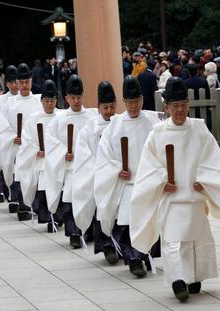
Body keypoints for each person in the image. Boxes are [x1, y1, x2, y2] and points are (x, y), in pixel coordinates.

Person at [129, 77, 220, 301]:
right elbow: (148, 165)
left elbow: (213, 159)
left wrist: (205, 179)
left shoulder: (199, 129)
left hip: (194, 197)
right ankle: (177, 280)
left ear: (188, 105)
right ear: (167, 107)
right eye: (174, 105)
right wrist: (160, 181)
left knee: (197, 239)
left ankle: (194, 276)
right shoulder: (157, 134)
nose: (179, 110)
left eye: (183, 105)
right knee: (175, 241)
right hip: (172, 198)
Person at [94, 75, 161, 277]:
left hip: (147, 183)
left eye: (136, 101)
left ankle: (144, 256)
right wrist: (116, 170)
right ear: (124, 102)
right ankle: (133, 259)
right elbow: (104, 156)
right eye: (129, 102)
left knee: (147, 222)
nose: (133, 106)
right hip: (126, 183)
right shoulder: (115, 125)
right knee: (128, 222)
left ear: (142, 100)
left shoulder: (152, 122)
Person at [44, 75, 97, 248]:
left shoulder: (92, 116)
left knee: (91, 198)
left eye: (78, 97)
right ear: (66, 98)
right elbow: (50, 141)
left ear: (83, 96)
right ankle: (74, 233)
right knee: (71, 197)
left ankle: (88, 231)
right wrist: (62, 153)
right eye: (72, 97)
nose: (75, 101)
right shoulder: (59, 119)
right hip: (70, 167)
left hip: (89, 166)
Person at [71, 80, 117, 257]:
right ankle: (106, 246)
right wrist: (101, 170)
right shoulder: (89, 129)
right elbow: (84, 157)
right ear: (98, 107)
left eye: (112, 107)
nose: (109, 112)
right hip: (99, 176)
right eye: (105, 107)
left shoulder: (120, 124)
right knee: (102, 209)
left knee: (119, 212)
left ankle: (121, 247)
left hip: (118, 177)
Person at [0, 63, 43, 220]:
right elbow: (2, 126)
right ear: (16, 83)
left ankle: (37, 206)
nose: (24, 85)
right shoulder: (9, 104)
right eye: (21, 82)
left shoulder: (39, 102)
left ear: (31, 81)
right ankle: (22, 207)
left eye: (27, 81)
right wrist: (12, 137)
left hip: (36, 146)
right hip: (18, 145)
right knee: (20, 173)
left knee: (36, 175)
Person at [15, 80, 58, 228]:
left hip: (58, 162)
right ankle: (49, 219)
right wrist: (35, 151)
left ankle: (57, 219)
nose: (50, 104)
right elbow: (26, 140)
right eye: (47, 100)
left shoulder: (61, 117)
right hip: (40, 161)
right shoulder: (33, 119)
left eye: (52, 100)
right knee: (44, 190)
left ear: (56, 101)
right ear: (41, 101)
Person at [0, 65, 19, 203]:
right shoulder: (1, 102)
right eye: (11, 82)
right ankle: (12, 197)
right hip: (8, 141)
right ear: (7, 84)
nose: (14, 85)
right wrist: (9, 137)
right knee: (8, 168)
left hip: (24, 142)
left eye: (16, 81)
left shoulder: (28, 99)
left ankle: (24, 201)